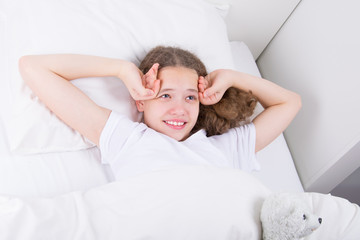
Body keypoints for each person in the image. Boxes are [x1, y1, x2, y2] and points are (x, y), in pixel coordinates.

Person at [18, 46, 301, 180]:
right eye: (165, 95)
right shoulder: (127, 139)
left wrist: (231, 77)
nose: (179, 109)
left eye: (191, 97)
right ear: (141, 100)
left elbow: (290, 103)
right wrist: (120, 70)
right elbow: (33, 67)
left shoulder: (228, 148)